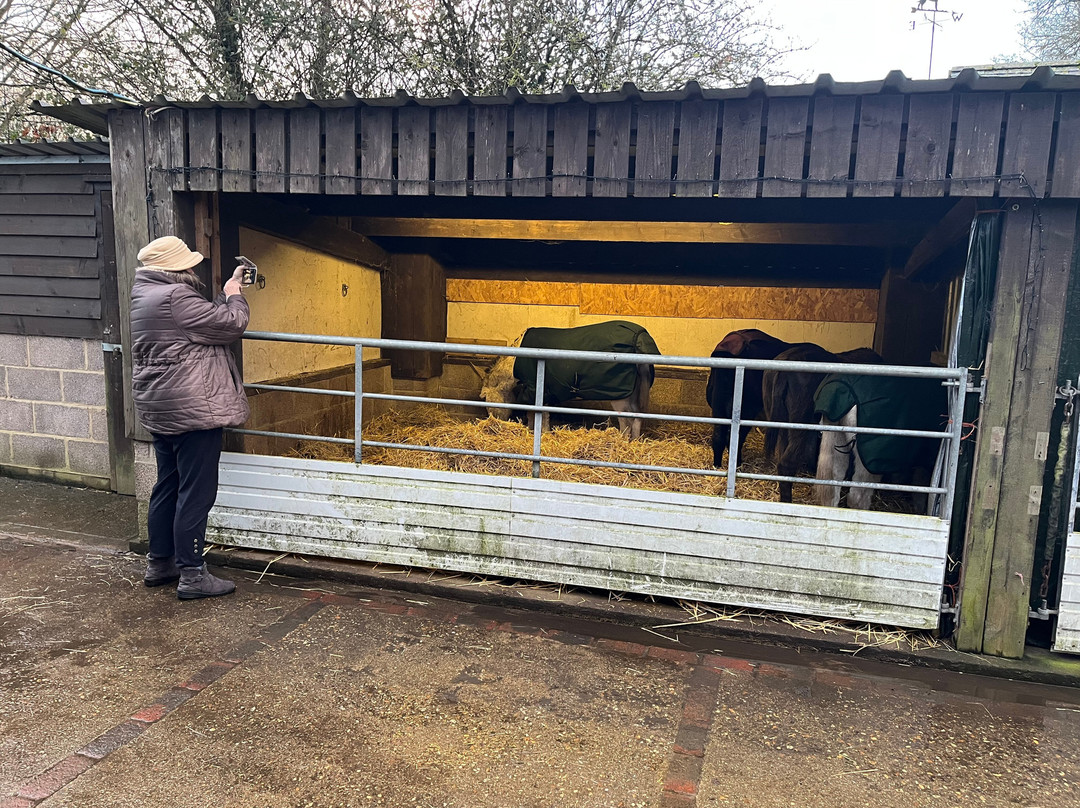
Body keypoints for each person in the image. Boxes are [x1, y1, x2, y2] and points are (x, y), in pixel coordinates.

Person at [129, 235, 250, 599]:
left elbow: (199, 326)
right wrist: (234, 294)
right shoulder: (176, 296)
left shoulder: (144, 294)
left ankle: (159, 563)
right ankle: (193, 575)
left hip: (162, 407)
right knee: (196, 492)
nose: (193, 269)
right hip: (192, 409)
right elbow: (231, 324)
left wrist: (222, 296)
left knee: (168, 484)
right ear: (176, 268)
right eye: (188, 264)